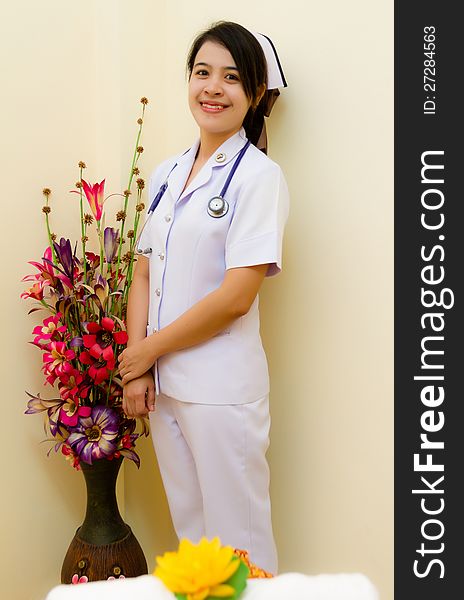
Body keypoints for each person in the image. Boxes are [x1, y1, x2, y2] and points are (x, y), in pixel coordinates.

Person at [118, 21, 289, 574]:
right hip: (166, 387)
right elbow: (143, 271)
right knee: (194, 544)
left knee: (240, 547)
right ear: (189, 81)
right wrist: (138, 369)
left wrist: (145, 352)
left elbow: (236, 296)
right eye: (202, 73)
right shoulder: (168, 170)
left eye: (232, 77)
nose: (213, 87)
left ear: (255, 94)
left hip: (221, 392)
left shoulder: (259, 178)